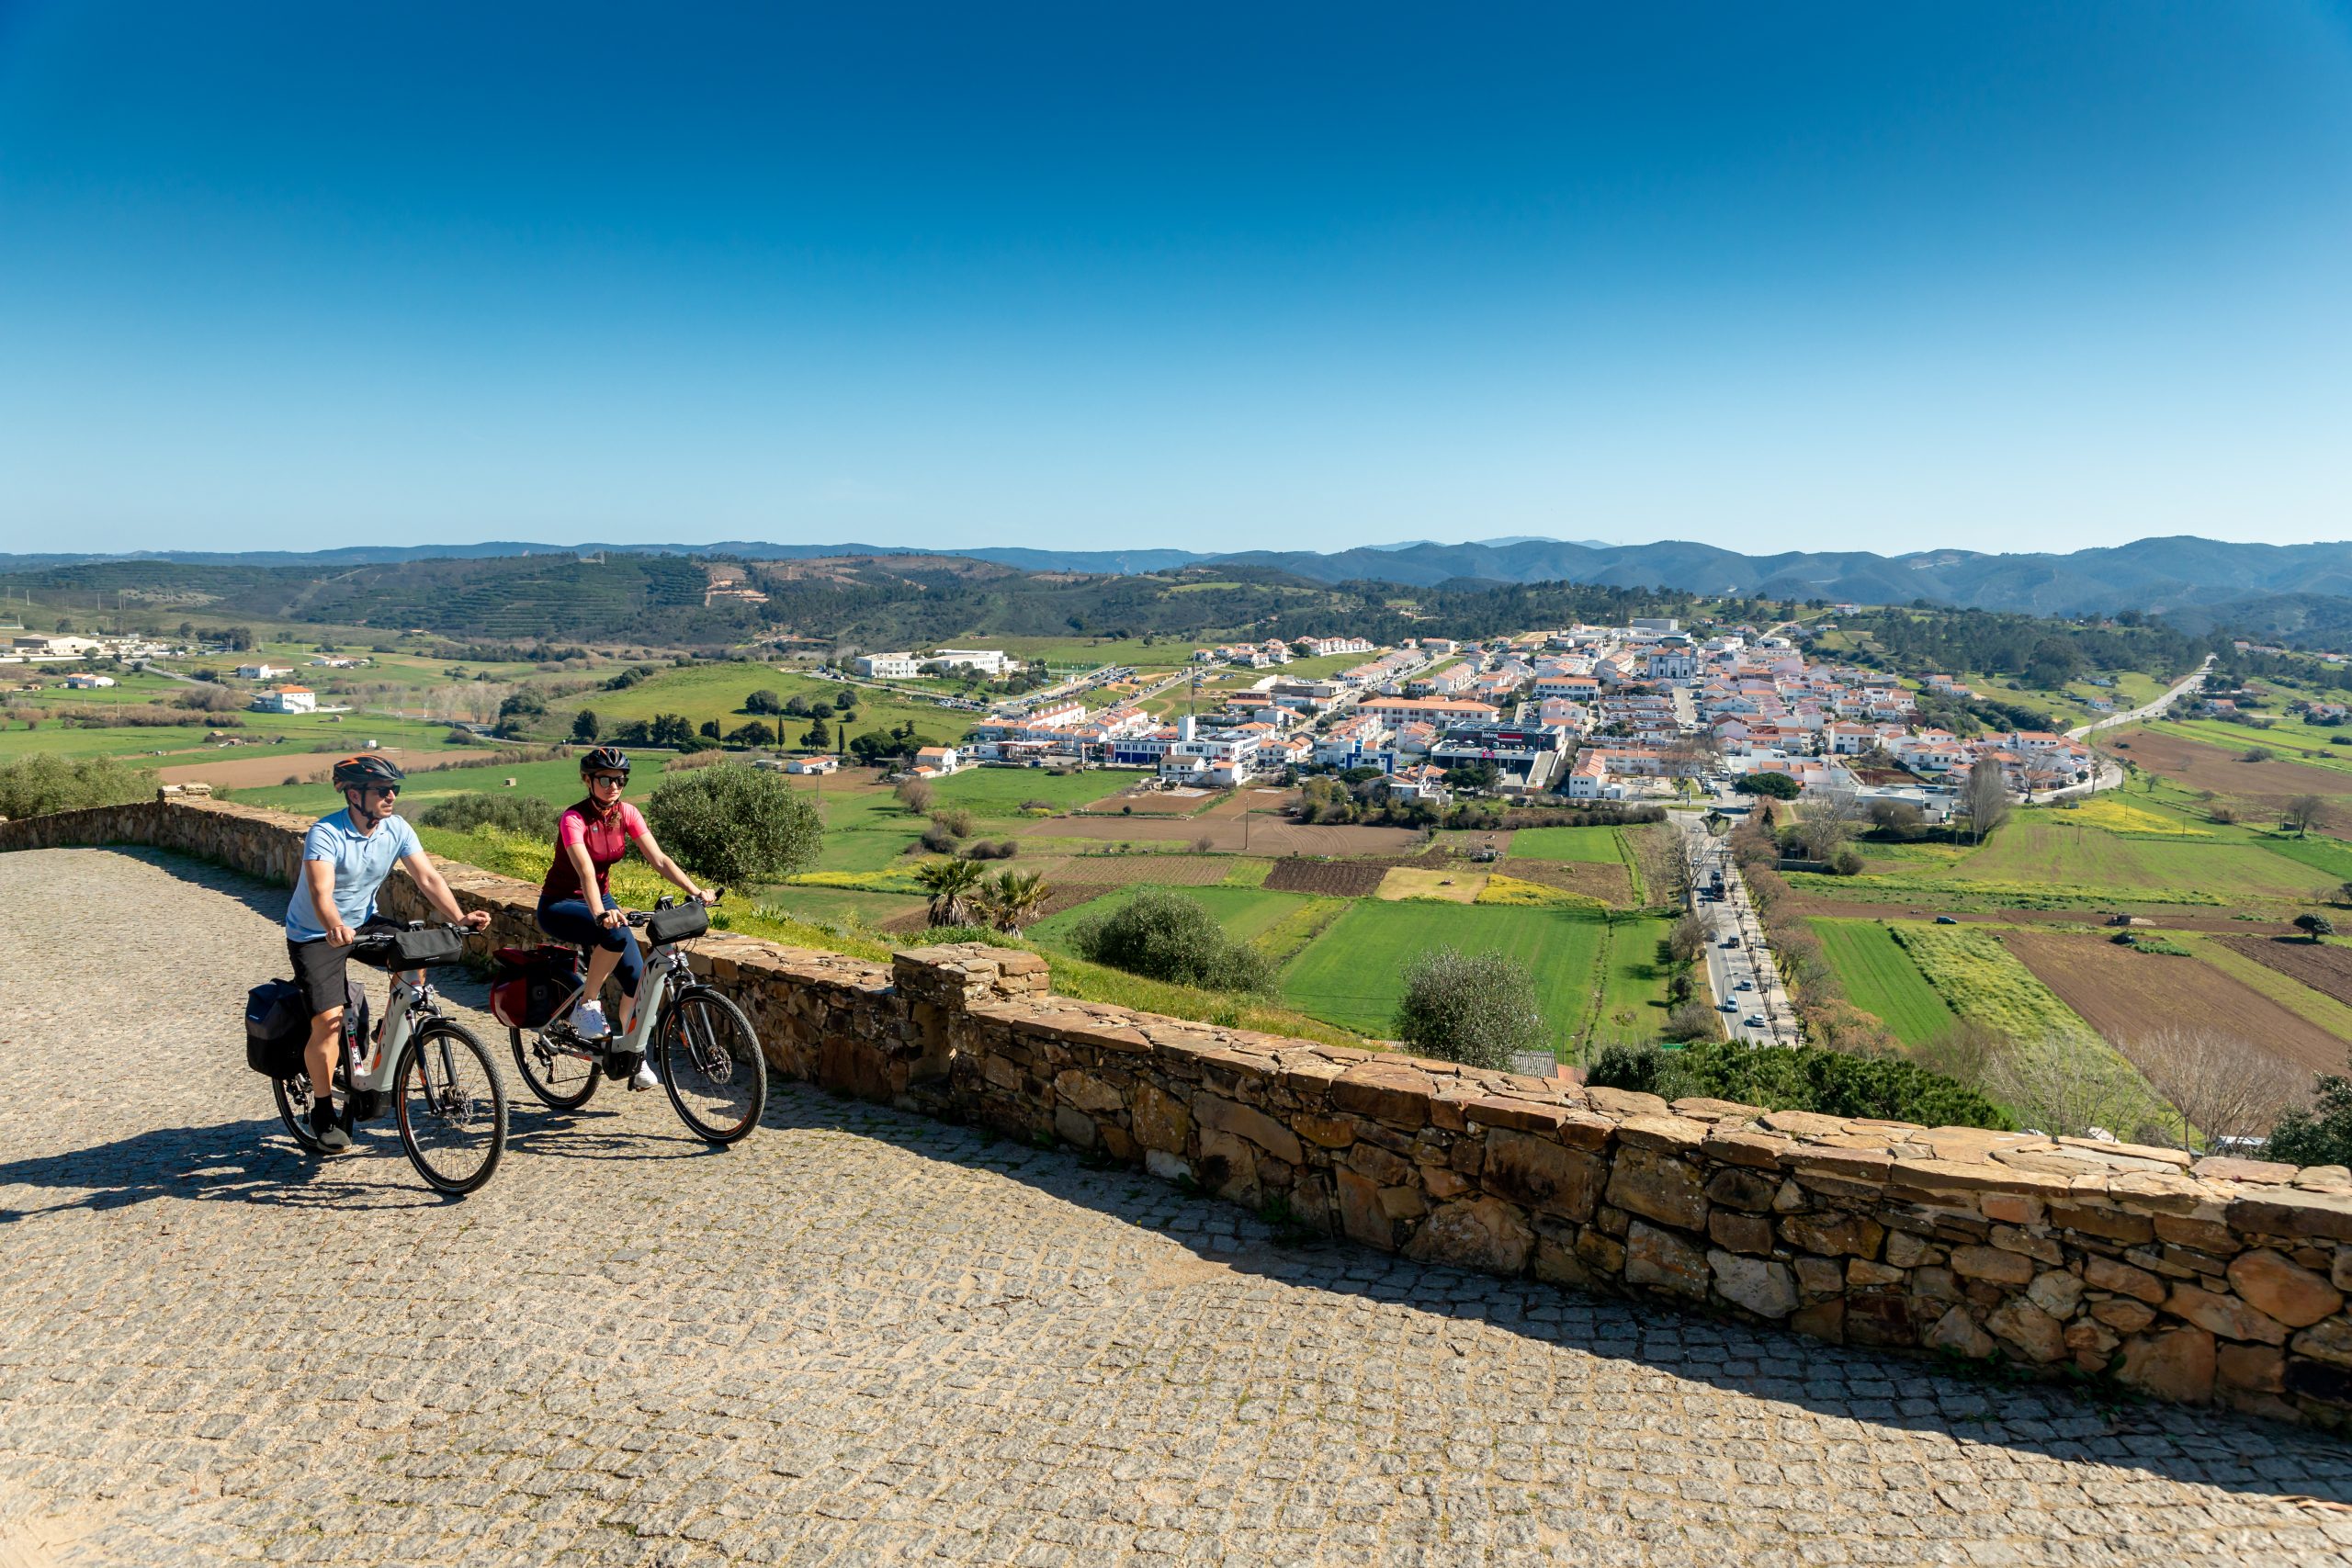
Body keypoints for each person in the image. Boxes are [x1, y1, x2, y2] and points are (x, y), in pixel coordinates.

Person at [286, 754, 492, 1151]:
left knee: (416, 959)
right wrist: (333, 925)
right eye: (382, 790)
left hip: (364, 923)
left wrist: (460, 916)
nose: (391, 795)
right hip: (316, 933)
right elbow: (319, 892)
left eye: (394, 789)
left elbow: (427, 877)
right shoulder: (326, 833)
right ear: (353, 794)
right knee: (329, 1023)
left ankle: (387, 1030)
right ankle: (324, 1111)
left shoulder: (395, 828)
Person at [537, 747, 715, 1089]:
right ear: (588, 781)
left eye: (619, 780)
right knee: (616, 937)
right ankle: (586, 1005)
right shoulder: (573, 819)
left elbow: (659, 860)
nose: (613, 786)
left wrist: (695, 891)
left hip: (603, 903)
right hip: (561, 903)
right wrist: (601, 913)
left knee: (639, 982)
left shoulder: (627, 813)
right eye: (605, 779)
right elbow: (586, 871)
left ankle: (635, 1058)